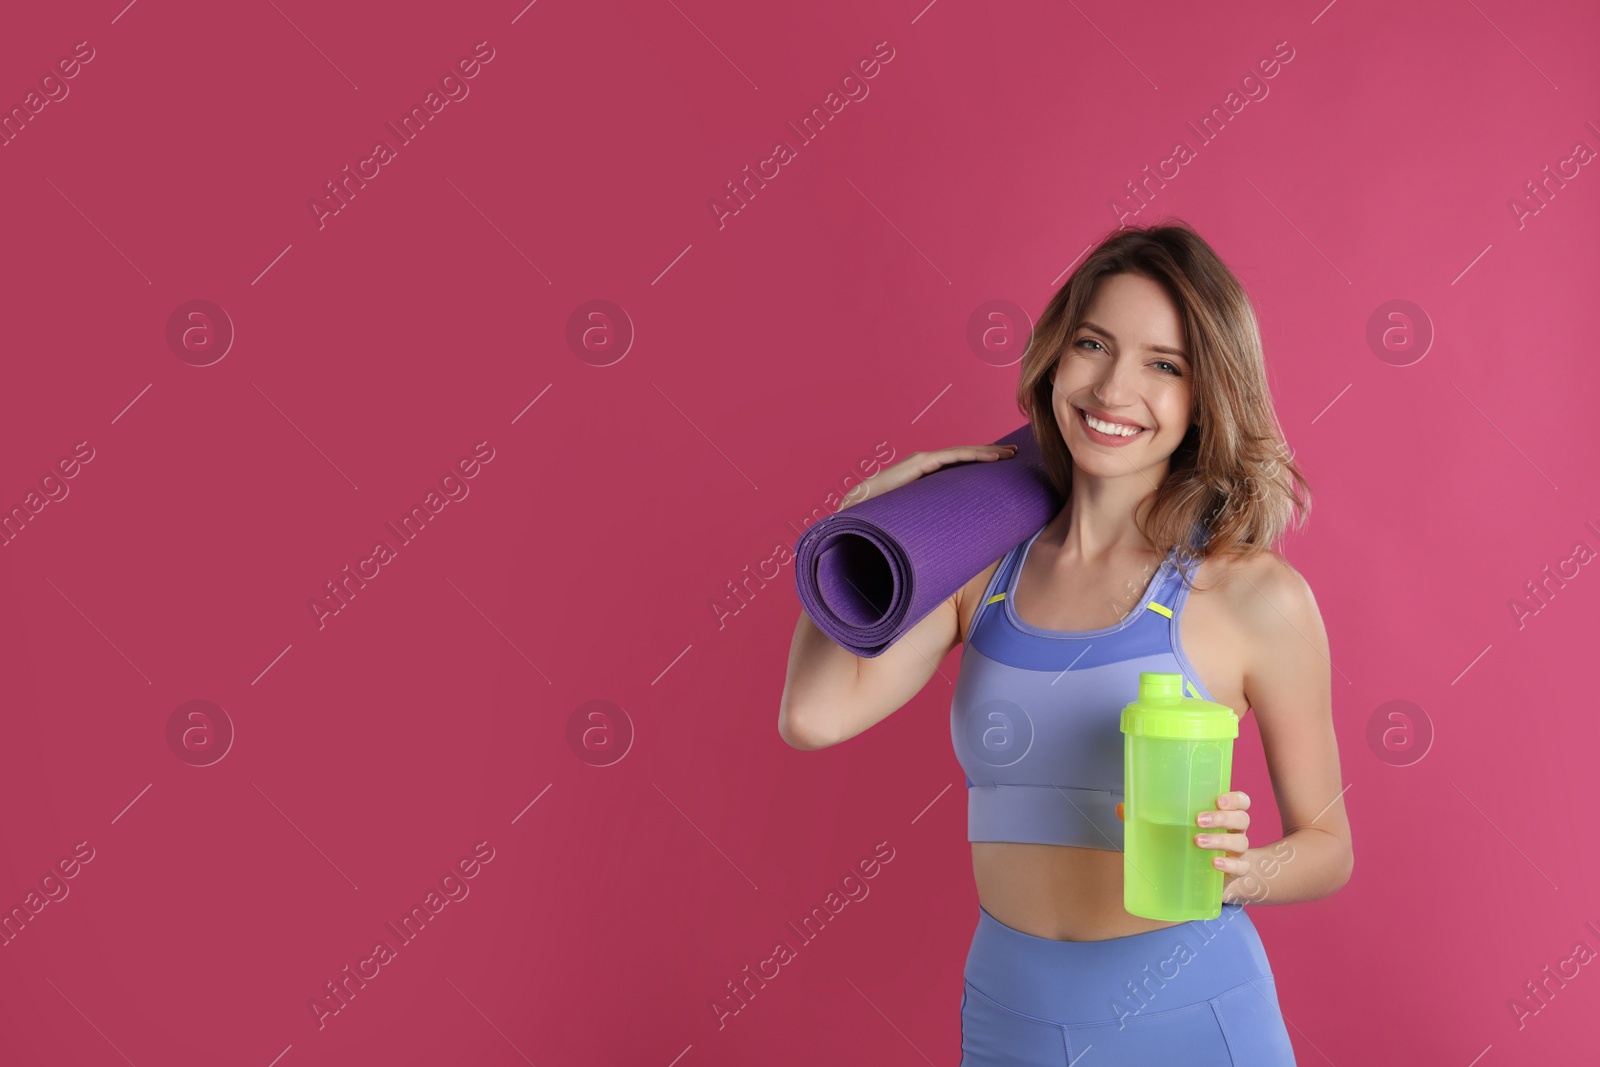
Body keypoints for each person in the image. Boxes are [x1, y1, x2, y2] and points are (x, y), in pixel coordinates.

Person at [778, 221, 1353, 1064]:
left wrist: (1243, 872)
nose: (1115, 389)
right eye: (1094, 344)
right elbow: (813, 715)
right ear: (1055, 355)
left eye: (1165, 364)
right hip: (1011, 1019)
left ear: (1205, 396)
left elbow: (1329, 846)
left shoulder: (1253, 595)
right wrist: (862, 522)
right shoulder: (983, 571)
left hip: (1191, 1018)